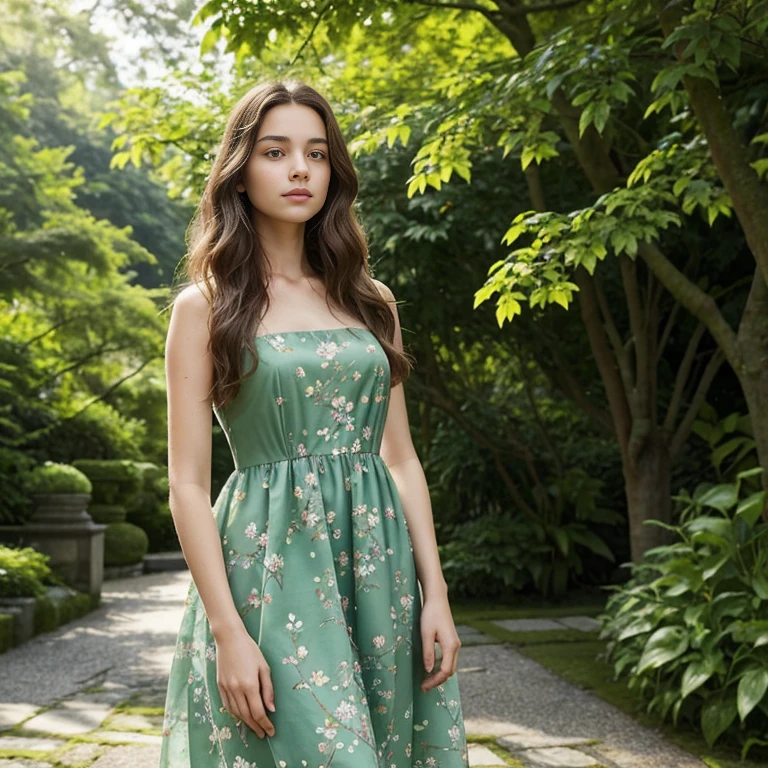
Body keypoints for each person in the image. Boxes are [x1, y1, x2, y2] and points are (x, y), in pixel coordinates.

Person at [159, 79, 469, 767]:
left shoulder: (371, 301)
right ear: (239, 173)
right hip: (269, 569)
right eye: (276, 151)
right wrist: (226, 630)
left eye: (317, 153)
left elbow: (402, 460)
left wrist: (436, 593)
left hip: (377, 565)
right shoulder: (204, 307)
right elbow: (186, 483)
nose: (300, 169)